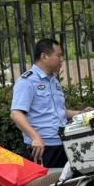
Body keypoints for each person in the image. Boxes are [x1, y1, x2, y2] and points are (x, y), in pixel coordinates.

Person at [10, 37, 73, 168]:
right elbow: (16, 114)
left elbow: (59, 111)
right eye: (58, 55)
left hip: (63, 144)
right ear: (44, 56)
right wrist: (35, 137)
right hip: (43, 148)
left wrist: (81, 113)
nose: (61, 60)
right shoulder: (27, 81)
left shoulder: (54, 80)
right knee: (47, 181)